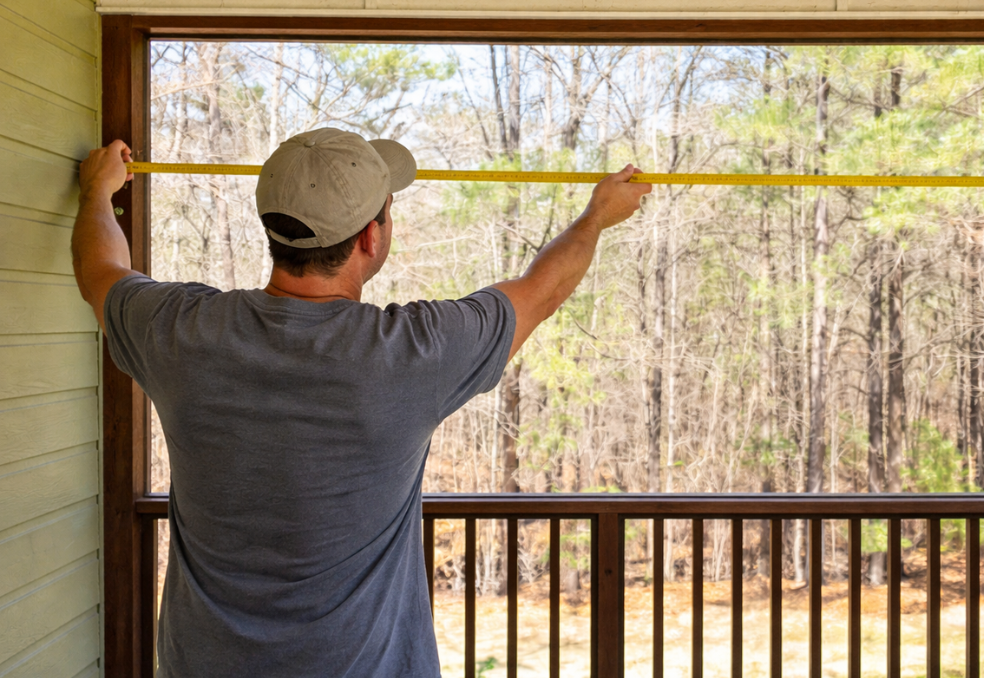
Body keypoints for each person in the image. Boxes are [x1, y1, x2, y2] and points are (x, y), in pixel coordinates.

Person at [71, 128, 651, 677]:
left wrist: (97, 193)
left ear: (274, 230)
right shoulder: (412, 352)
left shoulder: (180, 331)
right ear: (371, 238)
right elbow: (541, 292)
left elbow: (100, 270)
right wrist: (596, 217)